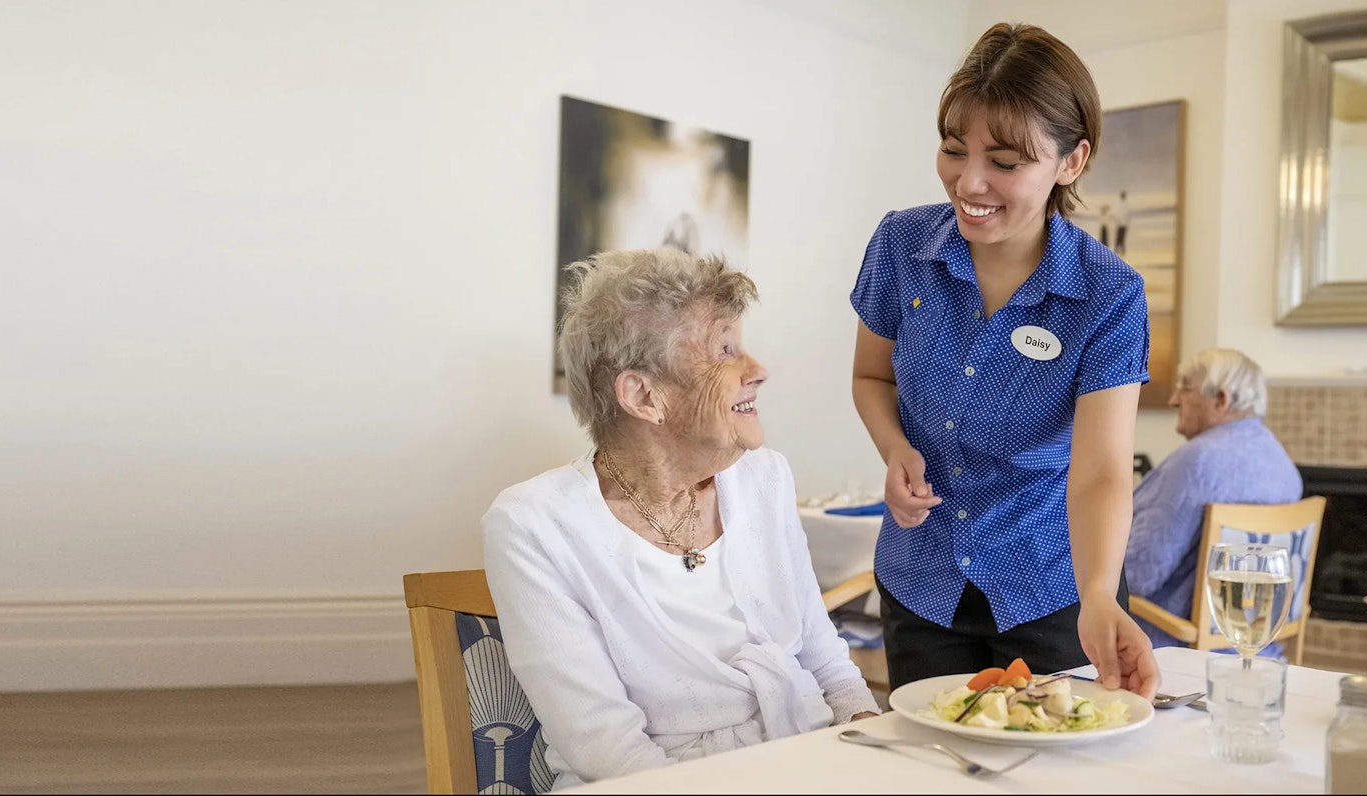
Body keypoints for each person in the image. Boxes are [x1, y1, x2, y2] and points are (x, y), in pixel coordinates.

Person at [483, 248, 878, 789]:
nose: (758, 371)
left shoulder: (764, 478)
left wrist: (871, 742)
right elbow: (604, 745)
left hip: (801, 760)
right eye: (725, 350)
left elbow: (822, 655)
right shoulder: (533, 525)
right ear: (644, 396)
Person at [849, 21, 1160, 700]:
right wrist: (895, 448)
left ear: (1071, 162)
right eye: (954, 150)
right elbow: (870, 375)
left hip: (1051, 585)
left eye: (1005, 162)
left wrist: (1100, 594)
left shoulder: (1108, 294)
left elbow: (1102, 470)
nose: (970, 180)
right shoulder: (902, 246)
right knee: (934, 766)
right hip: (922, 579)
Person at [1125, 349, 1303, 648]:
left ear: (1221, 400)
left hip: (1171, 647)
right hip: (1259, 646)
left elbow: (1139, 574)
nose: (1172, 400)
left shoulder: (1195, 463)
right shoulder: (1283, 465)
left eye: (1185, 388)